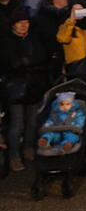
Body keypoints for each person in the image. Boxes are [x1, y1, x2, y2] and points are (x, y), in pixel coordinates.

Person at [1, 9, 50, 171]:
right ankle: (14, 156)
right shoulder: (7, 42)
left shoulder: (33, 39)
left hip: (34, 86)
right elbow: (9, 63)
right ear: (13, 26)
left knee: (32, 121)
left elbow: (42, 57)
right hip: (16, 87)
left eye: (26, 23)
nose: (24, 26)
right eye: (20, 24)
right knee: (17, 123)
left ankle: (29, 149)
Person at [56, 0, 86, 81]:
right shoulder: (67, 26)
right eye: (76, 10)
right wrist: (72, 19)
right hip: (75, 68)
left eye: (81, 10)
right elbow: (63, 39)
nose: (79, 13)